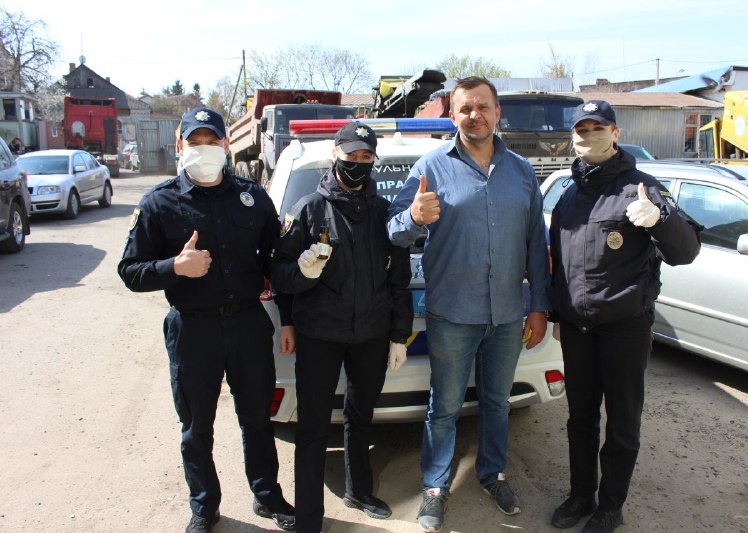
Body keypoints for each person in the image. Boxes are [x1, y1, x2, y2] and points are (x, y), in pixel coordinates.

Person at [117, 107, 296, 533]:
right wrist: (174, 268)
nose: (203, 149)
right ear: (180, 146)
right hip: (193, 330)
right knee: (196, 425)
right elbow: (129, 271)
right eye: (194, 142)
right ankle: (204, 505)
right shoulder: (159, 202)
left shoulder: (252, 197)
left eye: (211, 141)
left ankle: (267, 495)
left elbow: (278, 263)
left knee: (257, 418)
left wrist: (287, 319)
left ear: (226, 145)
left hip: (248, 324)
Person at [387, 76, 551, 533]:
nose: (474, 115)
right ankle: (435, 486)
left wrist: (539, 305)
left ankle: (492, 474)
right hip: (452, 314)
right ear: (452, 116)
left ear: (498, 113)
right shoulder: (431, 166)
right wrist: (412, 217)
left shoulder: (521, 171)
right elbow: (392, 229)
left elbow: (535, 243)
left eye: (482, 107)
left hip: (507, 315)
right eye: (465, 108)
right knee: (444, 407)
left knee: (497, 403)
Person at [548, 100, 701, 533]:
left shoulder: (642, 188)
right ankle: (581, 495)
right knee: (580, 418)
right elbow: (560, 261)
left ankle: (611, 506)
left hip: (624, 327)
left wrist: (659, 220)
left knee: (622, 421)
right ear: (573, 137)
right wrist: (559, 314)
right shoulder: (570, 195)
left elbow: (686, 251)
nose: (589, 135)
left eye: (598, 128)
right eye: (582, 129)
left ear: (615, 134)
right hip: (578, 327)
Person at [270, 121, 413, 533]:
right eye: (351, 155)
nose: (358, 162)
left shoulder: (384, 213)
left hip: (371, 334)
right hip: (320, 335)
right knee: (313, 426)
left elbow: (398, 279)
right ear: (336, 154)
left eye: (366, 156)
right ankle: (308, 516)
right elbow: (279, 275)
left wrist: (398, 335)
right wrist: (301, 273)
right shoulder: (308, 210)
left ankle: (359, 491)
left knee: (361, 416)